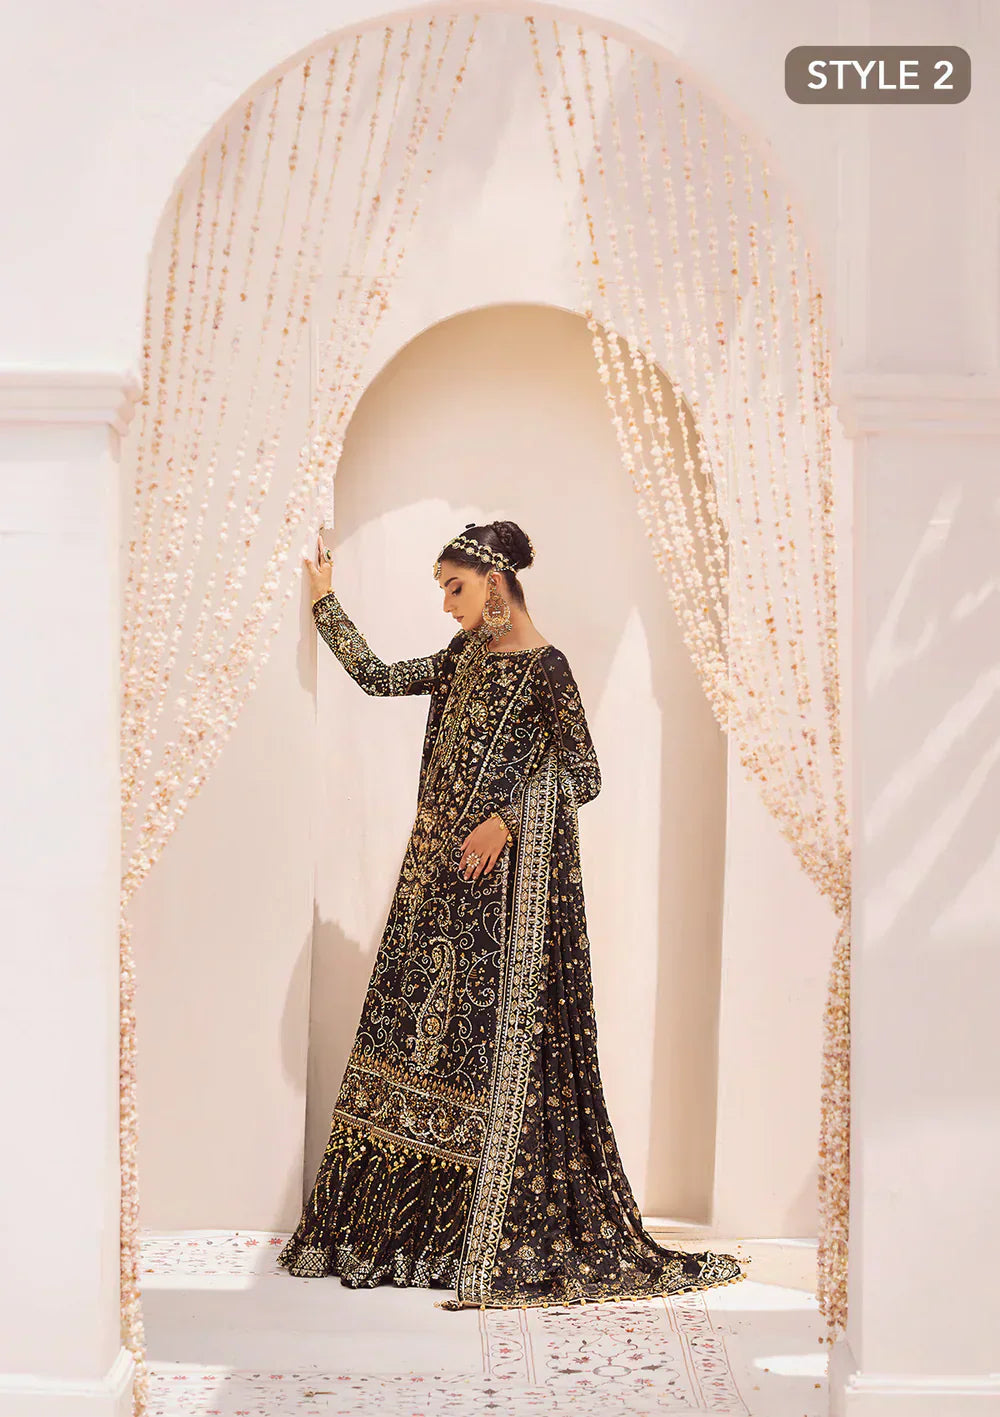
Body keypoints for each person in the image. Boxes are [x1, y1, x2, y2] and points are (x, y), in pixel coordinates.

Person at [278, 518, 745, 1310]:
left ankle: (475, 1234)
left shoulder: (546, 670)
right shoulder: (462, 656)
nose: (448, 606)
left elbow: (584, 772)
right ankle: (407, 1236)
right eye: (444, 591)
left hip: (500, 911)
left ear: (495, 583)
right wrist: (326, 602)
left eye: (455, 588)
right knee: (415, 1051)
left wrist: (510, 819)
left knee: (483, 1064)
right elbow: (382, 678)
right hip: (433, 893)